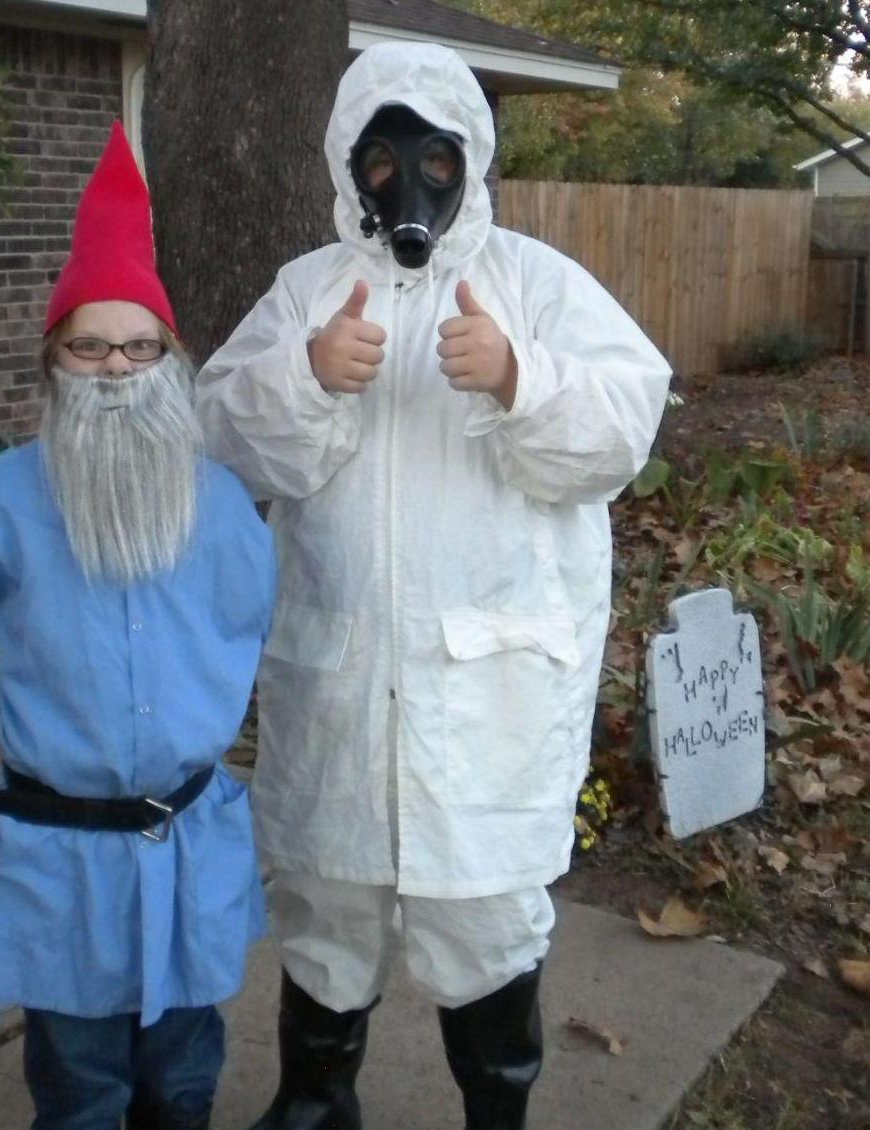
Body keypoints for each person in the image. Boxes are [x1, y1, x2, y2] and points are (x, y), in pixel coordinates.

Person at [196, 42, 672, 1130]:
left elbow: (623, 430)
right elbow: (219, 434)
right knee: (326, 904)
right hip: (339, 677)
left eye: (433, 155)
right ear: (347, 162)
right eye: (381, 157)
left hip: (488, 697)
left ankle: (495, 1114)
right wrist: (304, 375)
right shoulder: (308, 290)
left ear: (469, 154)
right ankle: (315, 1101)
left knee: (484, 917)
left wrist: (518, 376)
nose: (406, 181)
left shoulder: (535, 284)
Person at [0, 122, 276, 1130]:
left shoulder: (220, 506)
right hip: (60, 856)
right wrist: (33, 684)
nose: (116, 368)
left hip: (187, 844)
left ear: (170, 360)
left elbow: (250, 626)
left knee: (183, 1082)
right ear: (53, 362)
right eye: (90, 346)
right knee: (78, 1089)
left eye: (138, 346)